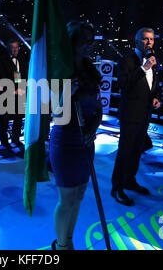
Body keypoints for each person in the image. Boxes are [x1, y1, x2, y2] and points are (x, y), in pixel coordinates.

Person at [49, 21, 102, 250]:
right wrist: (66, 93)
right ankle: (62, 246)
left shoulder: (90, 70)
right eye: (84, 40)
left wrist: (93, 127)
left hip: (86, 141)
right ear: (72, 41)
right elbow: (54, 111)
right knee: (67, 197)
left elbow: (98, 107)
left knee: (80, 194)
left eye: (91, 40)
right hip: (65, 141)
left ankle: (68, 239)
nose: (89, 45)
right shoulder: (60, 69)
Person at [111, 27, 161, 206]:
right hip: (130, 114)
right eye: (146, 39)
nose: (149, 42)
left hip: (145, 114)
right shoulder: (127, 60)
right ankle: (116, 187)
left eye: (152, 39)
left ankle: (129, 180)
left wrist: (156, 97)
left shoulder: (154, 61)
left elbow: (154, 84)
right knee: (124, 151)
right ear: (137, 41)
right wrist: (143, 68)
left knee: (136, 150)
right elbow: (123, 84)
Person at [0, 39, 29, 147]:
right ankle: (4, 141)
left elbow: (21, 76)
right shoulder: (2, 60)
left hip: (20, 93)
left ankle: (15, 139)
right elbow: (1, 77)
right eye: (12, 47)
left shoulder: (21, 59)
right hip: (7, 94)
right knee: (4, 119)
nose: (15, 50)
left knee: (18, 116)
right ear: (8, 48)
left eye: (16, 47)